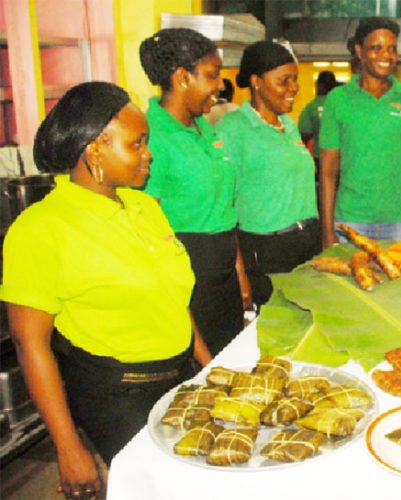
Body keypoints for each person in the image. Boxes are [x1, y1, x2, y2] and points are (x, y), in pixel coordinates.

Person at [0, 82, 212, 499]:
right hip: (118, 397)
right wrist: (67, 446)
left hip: (180, 377)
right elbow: (31, 345)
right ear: (95, 150)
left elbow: (173, 299)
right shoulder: (41, 228)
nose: (148, 154)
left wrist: (207, 368)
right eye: (138, 144)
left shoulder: (144, 207)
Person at [140, 28, 244, 355]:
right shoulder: (152, 137)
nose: (219, 86)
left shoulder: (202, 124)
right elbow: (146, 229)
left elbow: (222, 206)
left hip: (223, 267)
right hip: (188, 276)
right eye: (212, 76)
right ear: (183, 77)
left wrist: (239, 270)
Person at [216, 40, 320, 306]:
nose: (294, 88)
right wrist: (239, 273)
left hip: (308, 242)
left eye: (294, 80)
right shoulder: (232, 129)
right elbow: (223, 204)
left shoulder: (288, 123)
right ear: (256, 82)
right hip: (267, 252)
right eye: (284, 81)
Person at [318, 17, 401, 248]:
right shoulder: (338, 100)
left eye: (392, 49)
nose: (387, 55)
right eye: (377, 48)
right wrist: (327, 231)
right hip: (351, 221)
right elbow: (328, 172)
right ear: (359, 52)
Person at [298, 70, 340, 165]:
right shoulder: (342, 105)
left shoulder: (312, 107)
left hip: (321, 158)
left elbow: (304, 133)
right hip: (343, 158)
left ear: (318, 85)